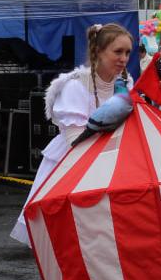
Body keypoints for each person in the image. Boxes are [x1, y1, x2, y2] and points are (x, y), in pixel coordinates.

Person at [12, 22, 133, 246]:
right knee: (70, 241)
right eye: (117, 51)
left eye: (127, 53)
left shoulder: (125, 85)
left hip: (111, 163)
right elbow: (75, 142)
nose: (124, 58)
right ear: (98, 50)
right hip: (72, 165)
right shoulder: (74, 86)